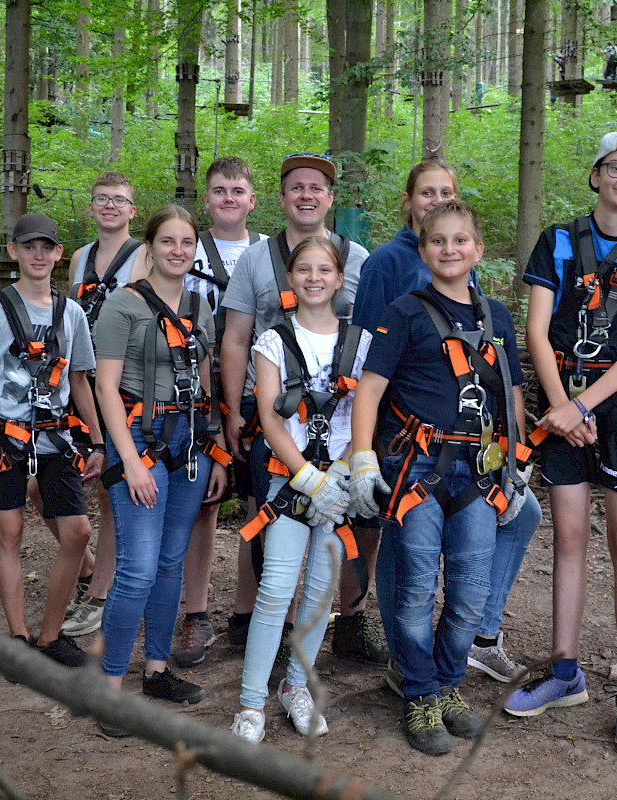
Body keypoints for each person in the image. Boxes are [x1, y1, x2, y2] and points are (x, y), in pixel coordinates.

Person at [505, 130, 617, 746]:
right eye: (615, 167)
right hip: (563, 409)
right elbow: (535, 330)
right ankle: (564, 670)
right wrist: (560, 408)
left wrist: (581, 404)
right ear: (595, 175)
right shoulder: (556, 241)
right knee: (569, 539)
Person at [352, 160, 541, 685]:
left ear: (480, 251)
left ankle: (447, 683)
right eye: (439, 241)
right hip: (417, 467)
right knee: (414, 583)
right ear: (423, 248)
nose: (451, 249)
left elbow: (511, 390)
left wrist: (518, 464)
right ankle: (417, 687)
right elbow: (369, 387)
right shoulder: (403, 310)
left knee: (469, 589)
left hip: (479, 474)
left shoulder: (496, 316)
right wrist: (363, 457)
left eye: (462, 241)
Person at [220, 152, 388, 665]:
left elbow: (371, 340)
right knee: (268, 511)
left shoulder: (358, 258)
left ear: (330, 198)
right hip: (272, 406)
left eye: (317, 187)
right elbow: (235, 337)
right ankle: (263, 622)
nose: (307, 195)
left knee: (356, 513)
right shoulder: (255, 259)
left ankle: (350, 619)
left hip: (342, 413)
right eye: (297, 187)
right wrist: (232, 410)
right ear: (283, 197)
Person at [230, 237, 371, 743]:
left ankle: (297, 686)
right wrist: (306, 477)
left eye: (324, 270)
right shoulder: (273, 340)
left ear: (339, 279)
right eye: (304, 270)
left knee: (319, 591)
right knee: (275, 589)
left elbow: (365, 411)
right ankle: (251, 703)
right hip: (288, 483)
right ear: (291, 279)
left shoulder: (360, 342)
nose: (314, 278)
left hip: (341, 478)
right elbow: (269, 415)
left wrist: (347, 471)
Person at [92, 206, 228, 719]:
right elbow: (105, 386)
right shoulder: (122, 306)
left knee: (171, 562)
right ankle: (108, 688)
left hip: (188, 445)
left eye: (187, 243)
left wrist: (214, 448)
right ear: (149, 247)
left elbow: (208, 381)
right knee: (138, 568)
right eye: (168, 242)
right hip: (139, 441)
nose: (178, 251)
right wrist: (128, 460)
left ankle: (155, 668)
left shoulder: (200, 306)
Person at [0, 212, 104, 668]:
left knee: (77, 533)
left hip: (55, 436)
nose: (38, 255)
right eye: (29, 246)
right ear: (13, 251)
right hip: (4, 437)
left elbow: (79, 381)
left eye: (47, 247)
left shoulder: (71, 313)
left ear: (59, 255)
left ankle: (50, 635)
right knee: (10, 532)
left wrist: (97, 442)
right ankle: (18, 638)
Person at [175, 157, 266, 668]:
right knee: (203, 503)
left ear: (253, 200)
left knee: (260, 501)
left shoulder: (269, 254)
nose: (229, 198)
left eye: (238, 190)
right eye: (219, 191)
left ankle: (247, 613)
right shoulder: (186, 249)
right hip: (195, 391)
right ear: (206, 200)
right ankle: (196, 612)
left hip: (258, 393)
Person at [59, 170, 147, 638]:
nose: (110, 206)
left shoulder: (143, 257)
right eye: (101, 199)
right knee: (49, 484)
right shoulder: (78, 258)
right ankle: (92, 567)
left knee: (110, 494)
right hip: (77, 382)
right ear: (91, 207)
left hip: (119, 382)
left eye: (120, 199)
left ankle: (100, 594)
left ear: (133, 210)